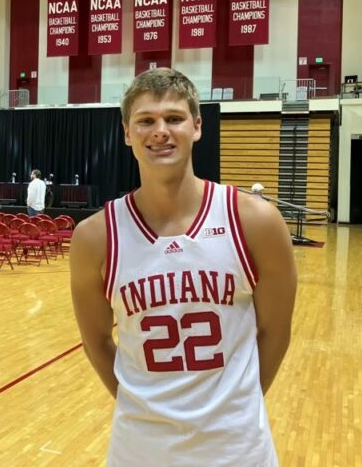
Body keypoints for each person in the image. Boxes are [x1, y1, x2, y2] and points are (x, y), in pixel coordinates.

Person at [69, 68, 298, 466]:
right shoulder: (95, 237)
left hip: (237, 449)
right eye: (146, 121)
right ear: (127, 132)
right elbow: (97, 343)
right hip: (138, 449)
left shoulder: (255, 222)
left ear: (196, 127)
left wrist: (234, 405)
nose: (160, 131)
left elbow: (275, 332)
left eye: (173, 118)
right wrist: (145, 407)